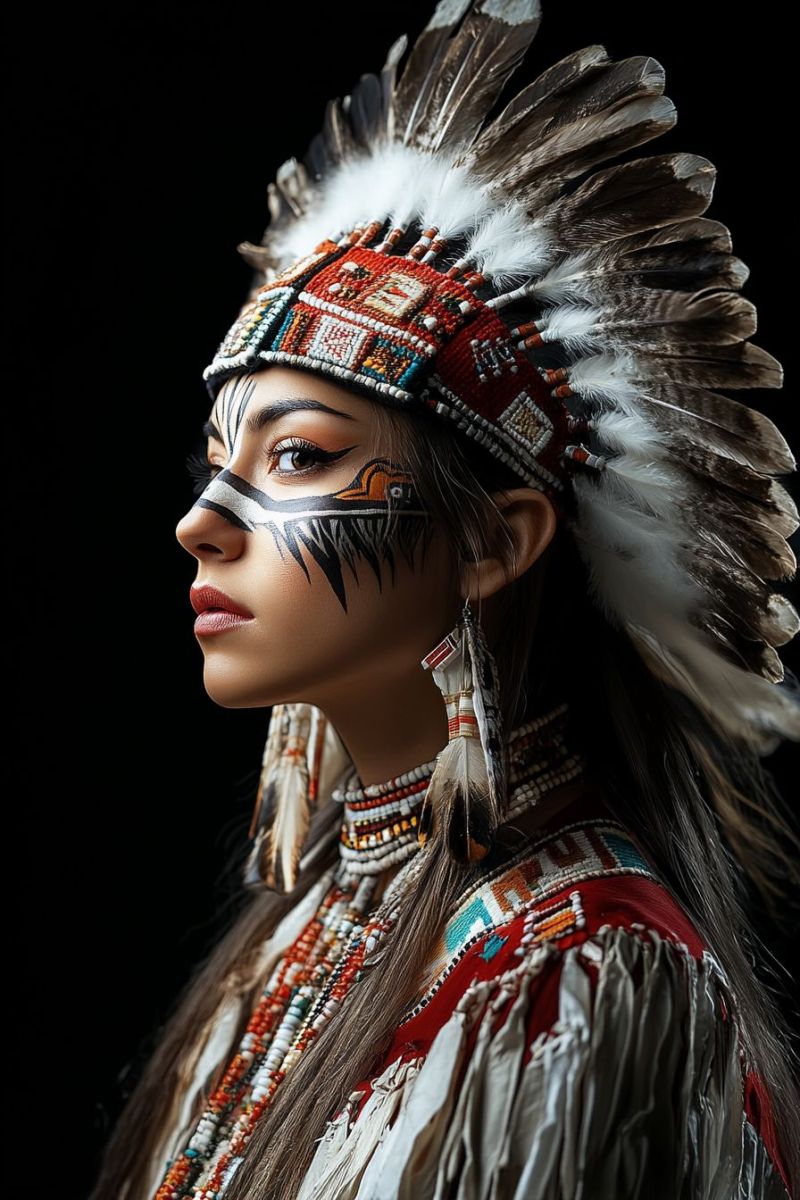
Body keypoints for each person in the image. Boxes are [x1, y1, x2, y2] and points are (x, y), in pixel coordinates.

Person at [88, 1, 800, 1197]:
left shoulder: (591, 977)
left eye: (299, 457)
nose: (201, 521)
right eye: (219, 461)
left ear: (494, 544)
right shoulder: (293, 946)